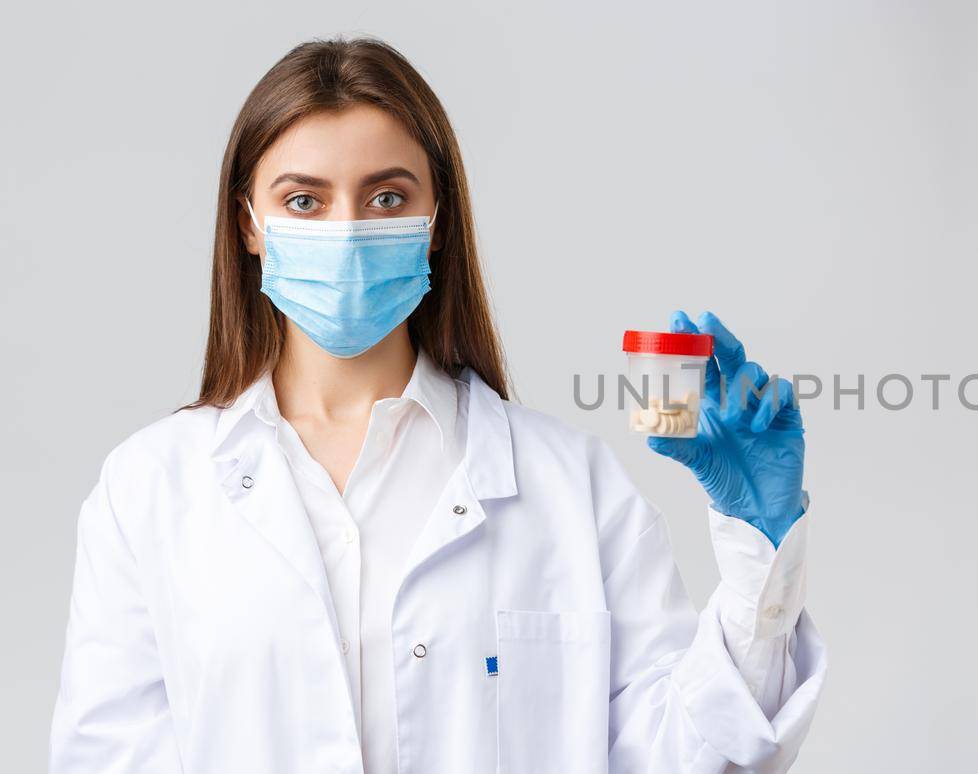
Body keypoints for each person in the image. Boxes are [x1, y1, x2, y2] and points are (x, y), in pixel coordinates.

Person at [48, 37, 822, 774]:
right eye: (304, 201)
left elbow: (698, 756)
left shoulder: (570, 486)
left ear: (437, 219)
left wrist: (759, 553)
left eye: (387, 196)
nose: (348, 231)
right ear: (249, 223)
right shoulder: (150, 488)